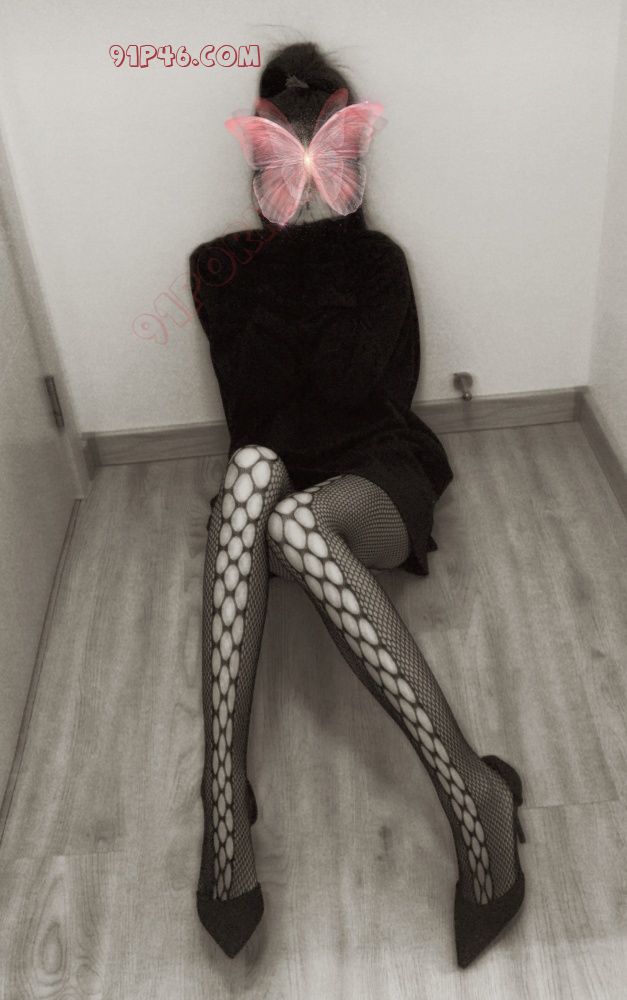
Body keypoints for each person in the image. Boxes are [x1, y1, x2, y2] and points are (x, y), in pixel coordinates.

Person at [189, 41, 527, 968]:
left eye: (319, 157)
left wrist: (324, 249)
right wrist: (274, 261)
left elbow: (353, 392)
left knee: (296, 518)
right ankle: (223, 798)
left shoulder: (376, 262)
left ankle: (474, 795)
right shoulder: (217, 267)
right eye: (281, 160)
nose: (301, 181)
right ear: (257, 164)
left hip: (371, 474)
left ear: (347, 161)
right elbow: (253, 410)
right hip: (273, 475)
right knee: (254, 471)